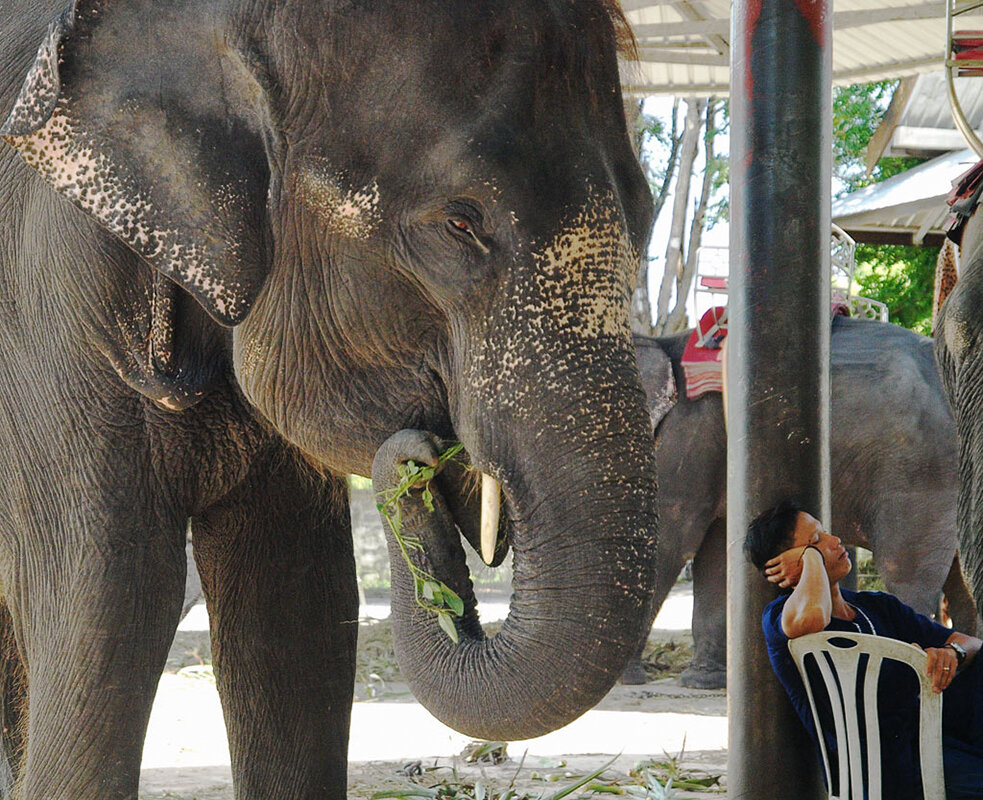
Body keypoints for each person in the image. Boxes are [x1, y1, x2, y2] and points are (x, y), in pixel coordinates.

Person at [745, 499, 983, 799]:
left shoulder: (877, 606)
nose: (835, 541)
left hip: (936, 745)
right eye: (816, 541)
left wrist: (951, 654)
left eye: (826, 533)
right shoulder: (780, 617)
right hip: (875, 768)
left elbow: (971, 642)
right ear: (791, 566)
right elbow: (814, 616)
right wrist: (813, 561)